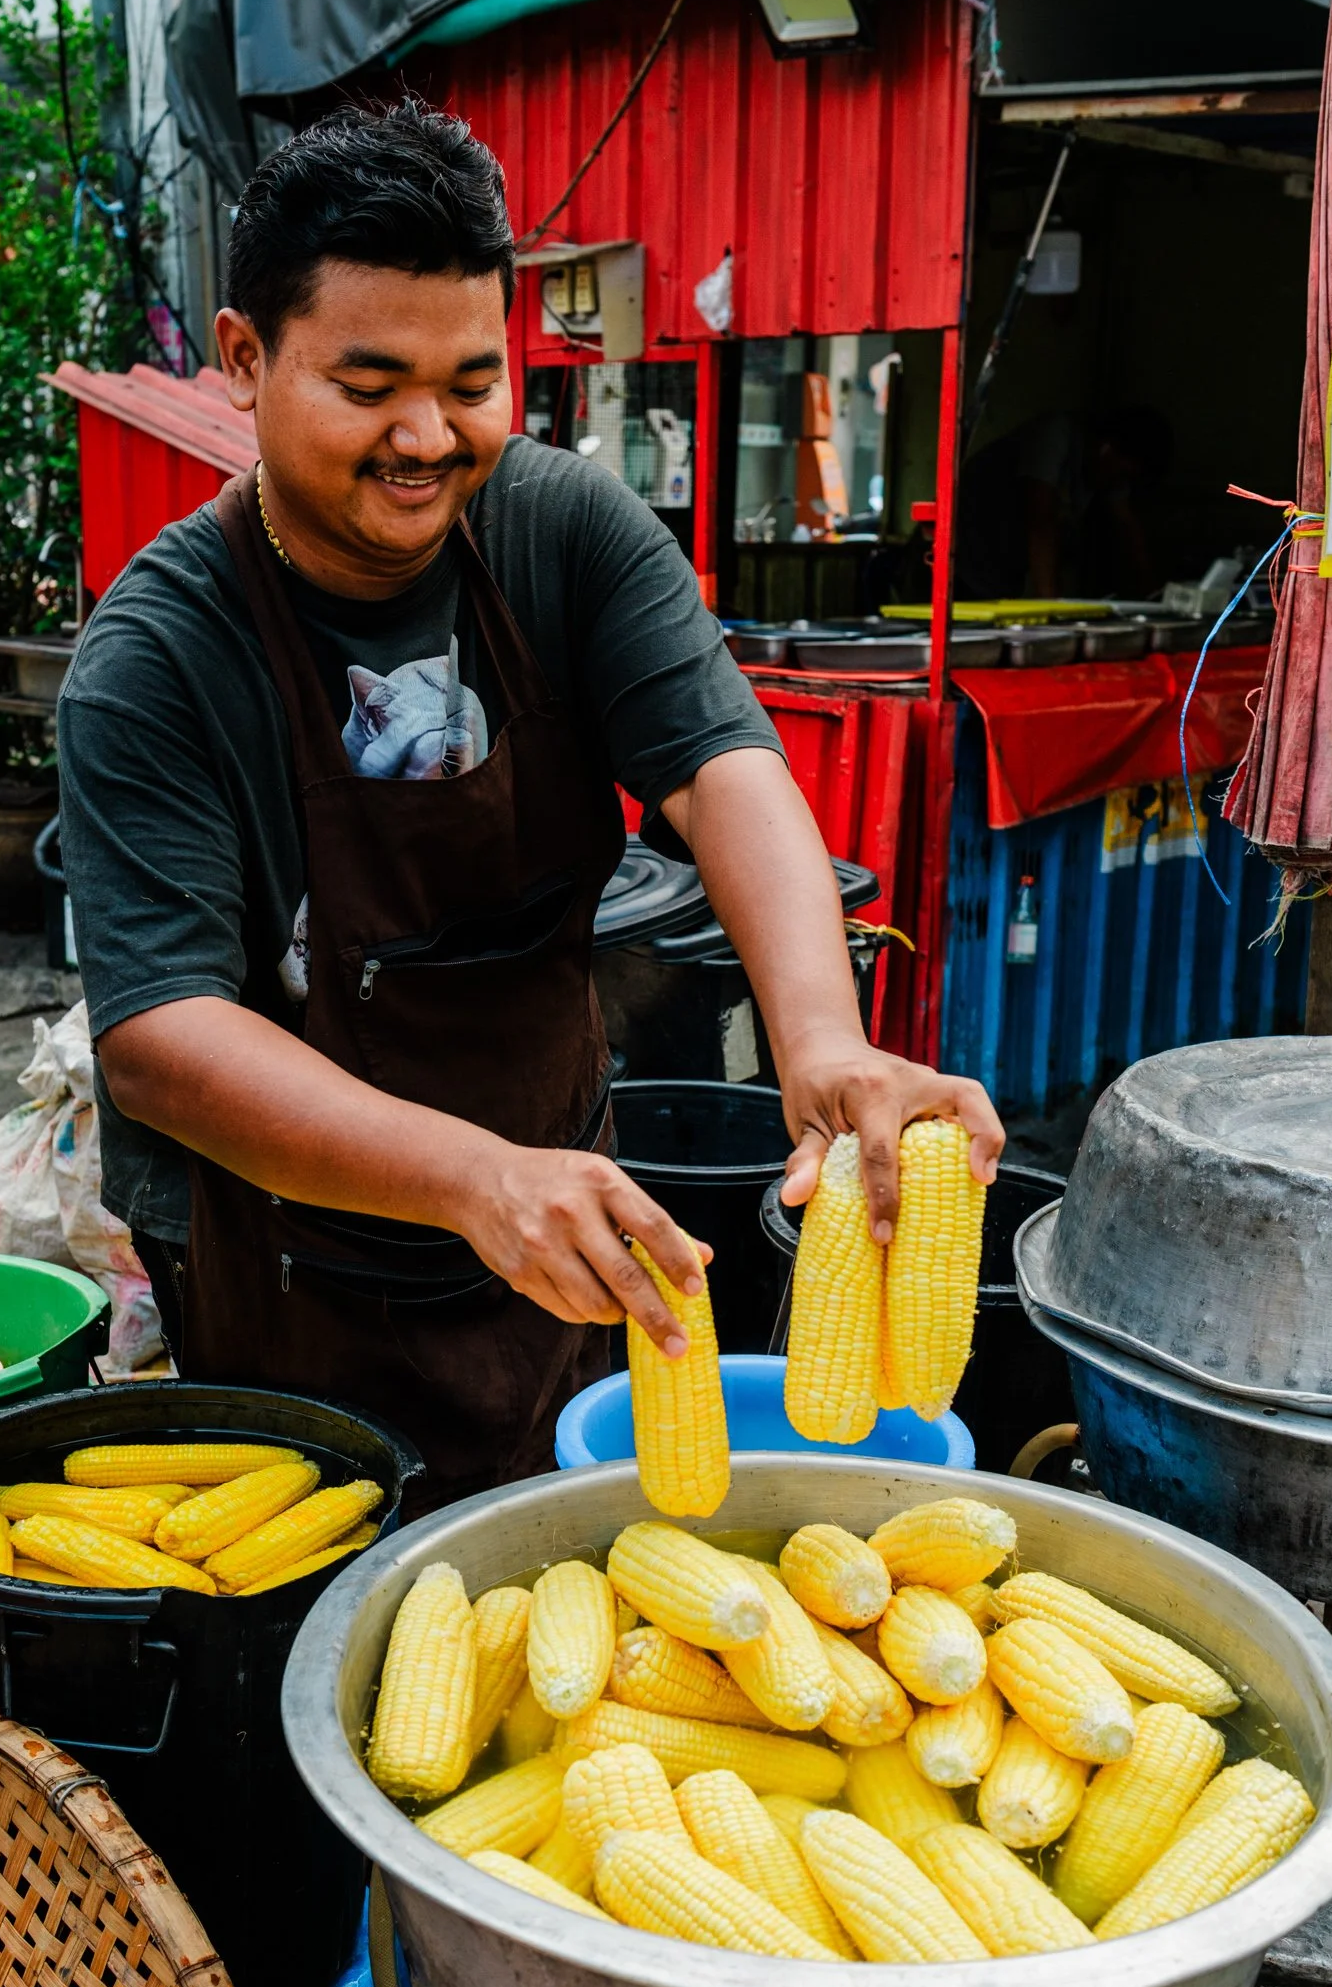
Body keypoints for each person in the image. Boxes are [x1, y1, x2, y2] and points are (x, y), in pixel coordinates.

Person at [57, 100, 1001, 1509]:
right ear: (244, 360)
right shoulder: (158, 656)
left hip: (571, 1225)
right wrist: (472, 1181)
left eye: (473, 382)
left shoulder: (564, 530)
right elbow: (162, 1040)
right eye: (369, 386)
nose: (427, 436)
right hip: (295, 1271)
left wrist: (822, 1042)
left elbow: (722, 766)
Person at [957, 407, 1172, 601]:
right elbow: (1040, 521)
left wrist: (1155, 595)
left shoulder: (1109, 470)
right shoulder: (1054, 435)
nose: (1120, 484)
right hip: (957, 564)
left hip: (1001, 575)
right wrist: (1051, 605)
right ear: (1106, 450)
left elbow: (1127, 526)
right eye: (1123, 475)